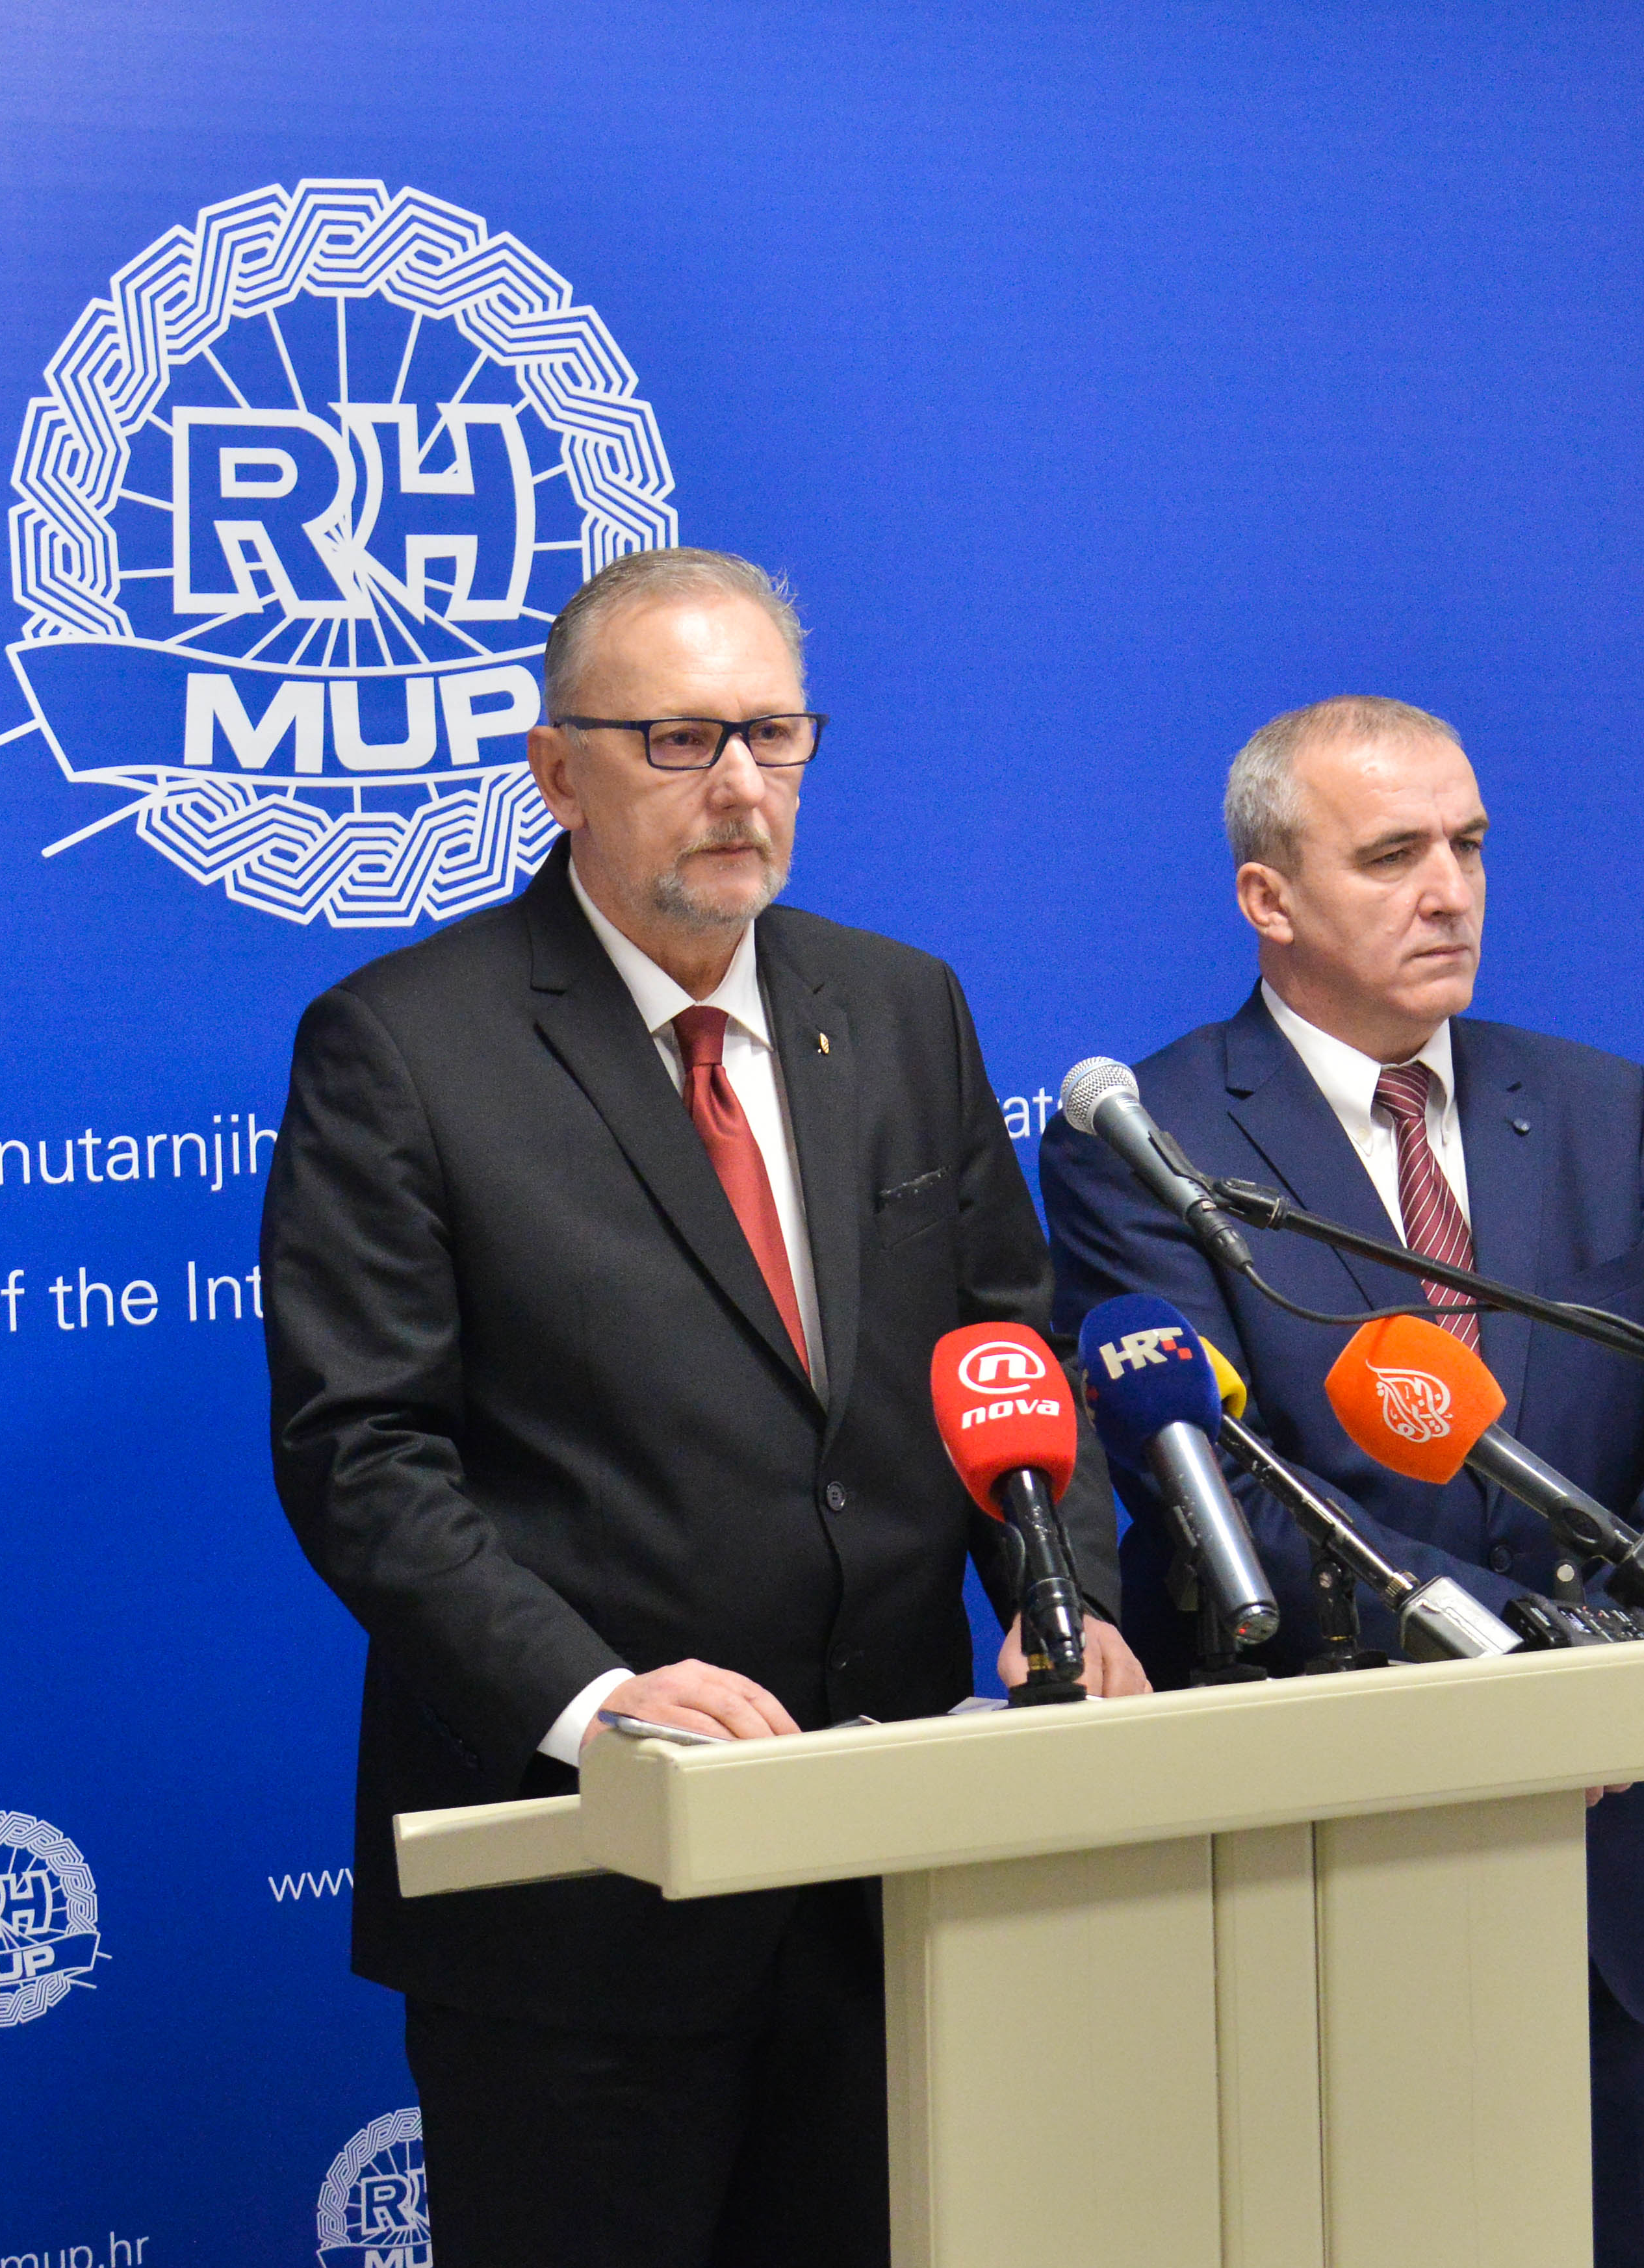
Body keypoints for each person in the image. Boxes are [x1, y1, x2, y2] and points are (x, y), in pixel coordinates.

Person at [262, 548, 1146, 2268]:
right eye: (679, 739)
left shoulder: (899, 1008)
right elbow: (359, 1455)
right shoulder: (404, 1045)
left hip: (890, 1872)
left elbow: (1009, 1351)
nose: (740, 783)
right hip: (586, 1903)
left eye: (772, 733)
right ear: (555, 769)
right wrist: (593, 1699)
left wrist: (1068, 1600)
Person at [1039, 695, 1644, 2267]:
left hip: (1596, 1854)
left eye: (1468, 846)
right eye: (1391, 856)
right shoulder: (1149, 1140)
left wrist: (1613, 1673)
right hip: (1324, 1845)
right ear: (1268, 897)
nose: (1449, 891)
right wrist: (1513, 1672)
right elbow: (1218, 1487)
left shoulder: (1599, 1108)